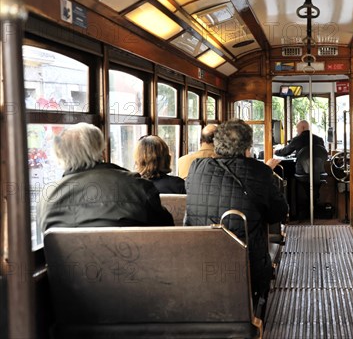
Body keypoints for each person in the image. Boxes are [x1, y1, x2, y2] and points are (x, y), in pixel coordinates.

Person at [185, 119, 288, 317]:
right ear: (248, 146)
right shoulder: (260, 172)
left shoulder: (196, 167)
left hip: (199, 262)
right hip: (247, 264)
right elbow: (278, 213)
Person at [39, 123, 174, 232]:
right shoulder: (137, 186)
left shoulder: (47, 196)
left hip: (66, 266)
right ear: (101, 149)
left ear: (60, 155)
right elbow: (166, 227)